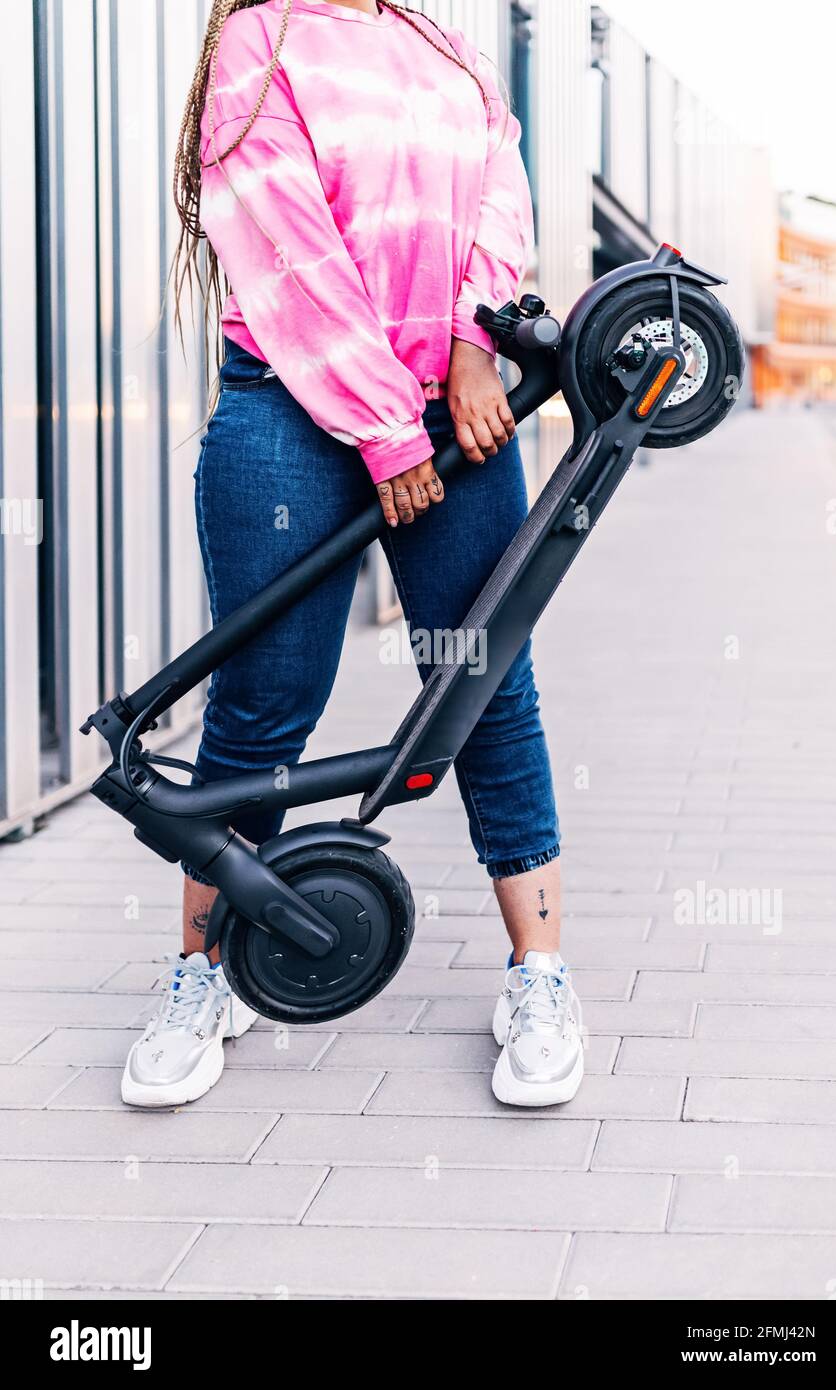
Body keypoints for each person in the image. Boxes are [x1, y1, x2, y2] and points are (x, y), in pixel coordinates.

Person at [121, 0, 583, 1111]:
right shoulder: (261, 40)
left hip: (455, 416)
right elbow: (290, 250)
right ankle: (203, 974)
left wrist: (476, 346)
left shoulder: (448, 49)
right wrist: (382, 426)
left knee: (482, 688)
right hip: (288, 413)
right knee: (263, 703)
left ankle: (539, 972)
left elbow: (496, 207)